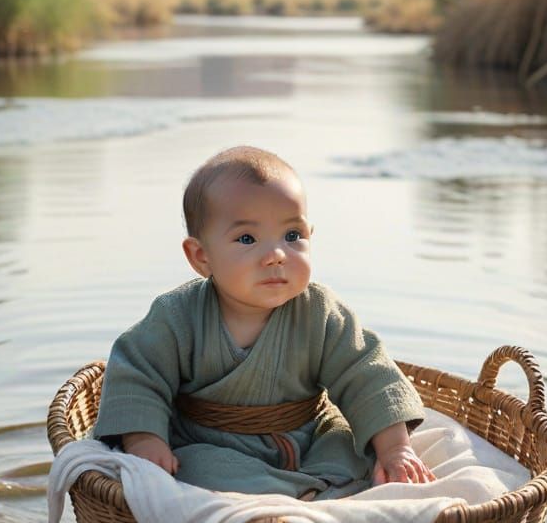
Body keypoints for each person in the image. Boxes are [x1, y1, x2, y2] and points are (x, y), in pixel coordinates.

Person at [92, 144, 435, 499]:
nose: (275, 256)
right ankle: (306, 495)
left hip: (306, 436)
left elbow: (368, 375)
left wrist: (396, 450)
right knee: (194, 468)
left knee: (351, 448)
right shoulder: (177, 316)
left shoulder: (319, 312)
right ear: (201, 256)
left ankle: (306, 490)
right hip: (210, 442)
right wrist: (145, 439)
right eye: (246, 239)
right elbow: (137, 375)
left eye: (292, 236)